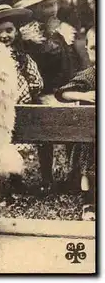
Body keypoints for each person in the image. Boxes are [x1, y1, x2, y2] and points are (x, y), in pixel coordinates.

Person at [14, 0, 90, 191]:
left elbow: (72, 61)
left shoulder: (61, 32)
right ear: (36, 9)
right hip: (43, 91)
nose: (52, 9)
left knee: (73, 133)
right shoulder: (28, 37)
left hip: (65, 89)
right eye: (47, 5)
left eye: (54, 4)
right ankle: (46, 178)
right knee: (44, 137)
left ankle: (73, 176)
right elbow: (33, 66)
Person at [0, 4, 44, 200]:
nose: (4, 35)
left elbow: (36, 81)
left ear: (16, 32)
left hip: (19, 107)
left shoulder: (23, 58)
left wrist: (29, 91)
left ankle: (14, 181)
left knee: (17, 143)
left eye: (9, 30)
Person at [54, 27, 96, 221]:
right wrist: (84, 95)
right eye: (95, 48)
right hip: (90, 135)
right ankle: (89, 203)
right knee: (88, 160)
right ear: (87, 49)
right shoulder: (89, 76)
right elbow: (62, 93)